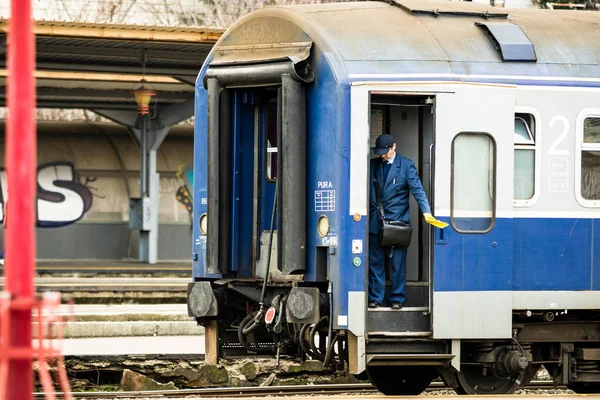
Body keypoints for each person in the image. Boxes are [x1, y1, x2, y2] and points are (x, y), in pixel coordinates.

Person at [369, 134, 432, 309]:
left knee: (398, 264)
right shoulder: (372, 166)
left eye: (385, 152)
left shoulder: (406, 165)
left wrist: (426, 211)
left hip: (397, 223)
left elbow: (417, 190)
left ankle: (397, 299)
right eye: (380, 152)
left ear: (393, 147)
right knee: (376, 263)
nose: (383, 156)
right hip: (376, 222)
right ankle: (375, 298)